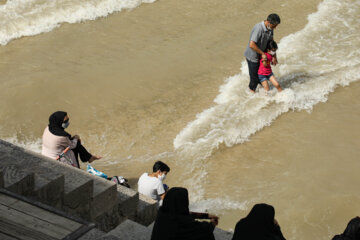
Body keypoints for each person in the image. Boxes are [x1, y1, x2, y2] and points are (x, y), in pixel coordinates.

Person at [151, 187, 219, 240]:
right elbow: (205, 229)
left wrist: (206, 215)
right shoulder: (184, 224)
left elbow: (187, 214)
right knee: (207, 234)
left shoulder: (162, 213)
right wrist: (212, 223)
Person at [244, 13, 281, 92]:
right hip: (253, 57)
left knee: (261, 75)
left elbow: (271, 43)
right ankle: (251, 95)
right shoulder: (259, 28)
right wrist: (263, 54)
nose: (275, 28)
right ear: (268, 22)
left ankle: (263, 94)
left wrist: (274, 56)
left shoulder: (270, 29)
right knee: (254, 79)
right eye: (274, 25)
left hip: (261, 56)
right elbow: (252, 44)